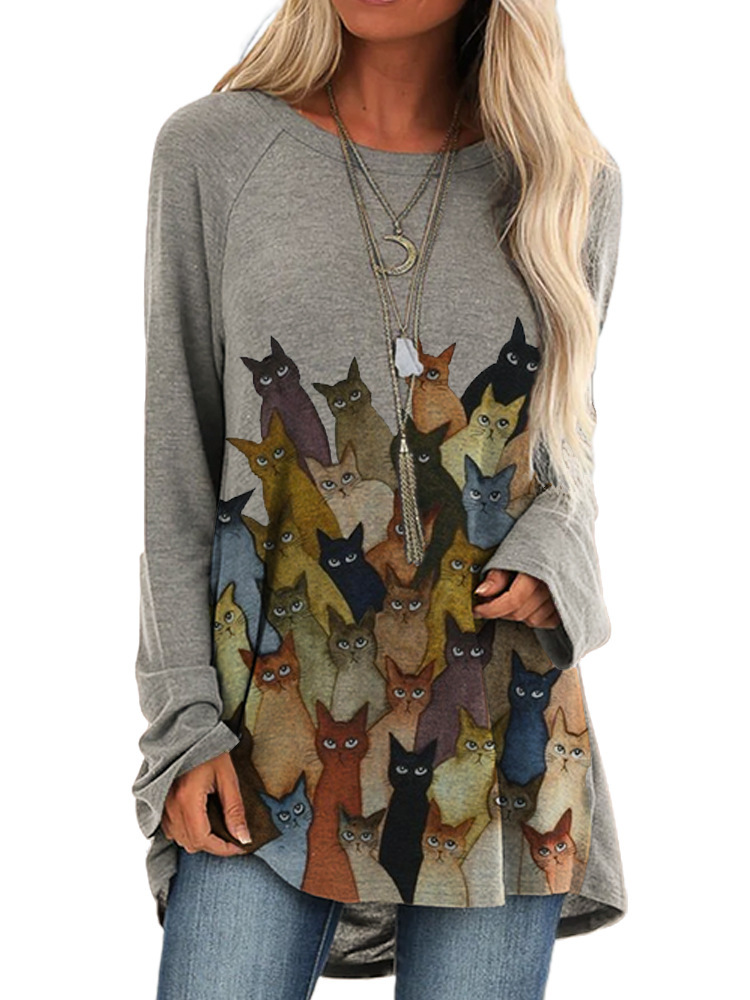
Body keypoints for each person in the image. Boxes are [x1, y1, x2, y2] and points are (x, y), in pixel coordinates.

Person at [132, 1, 627, 997]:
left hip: (499, 724)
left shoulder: (568, 181)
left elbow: (563, 451)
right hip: (263, 718)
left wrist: (552, 562)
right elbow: (177, 464)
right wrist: (182, 724)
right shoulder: (215, 152)